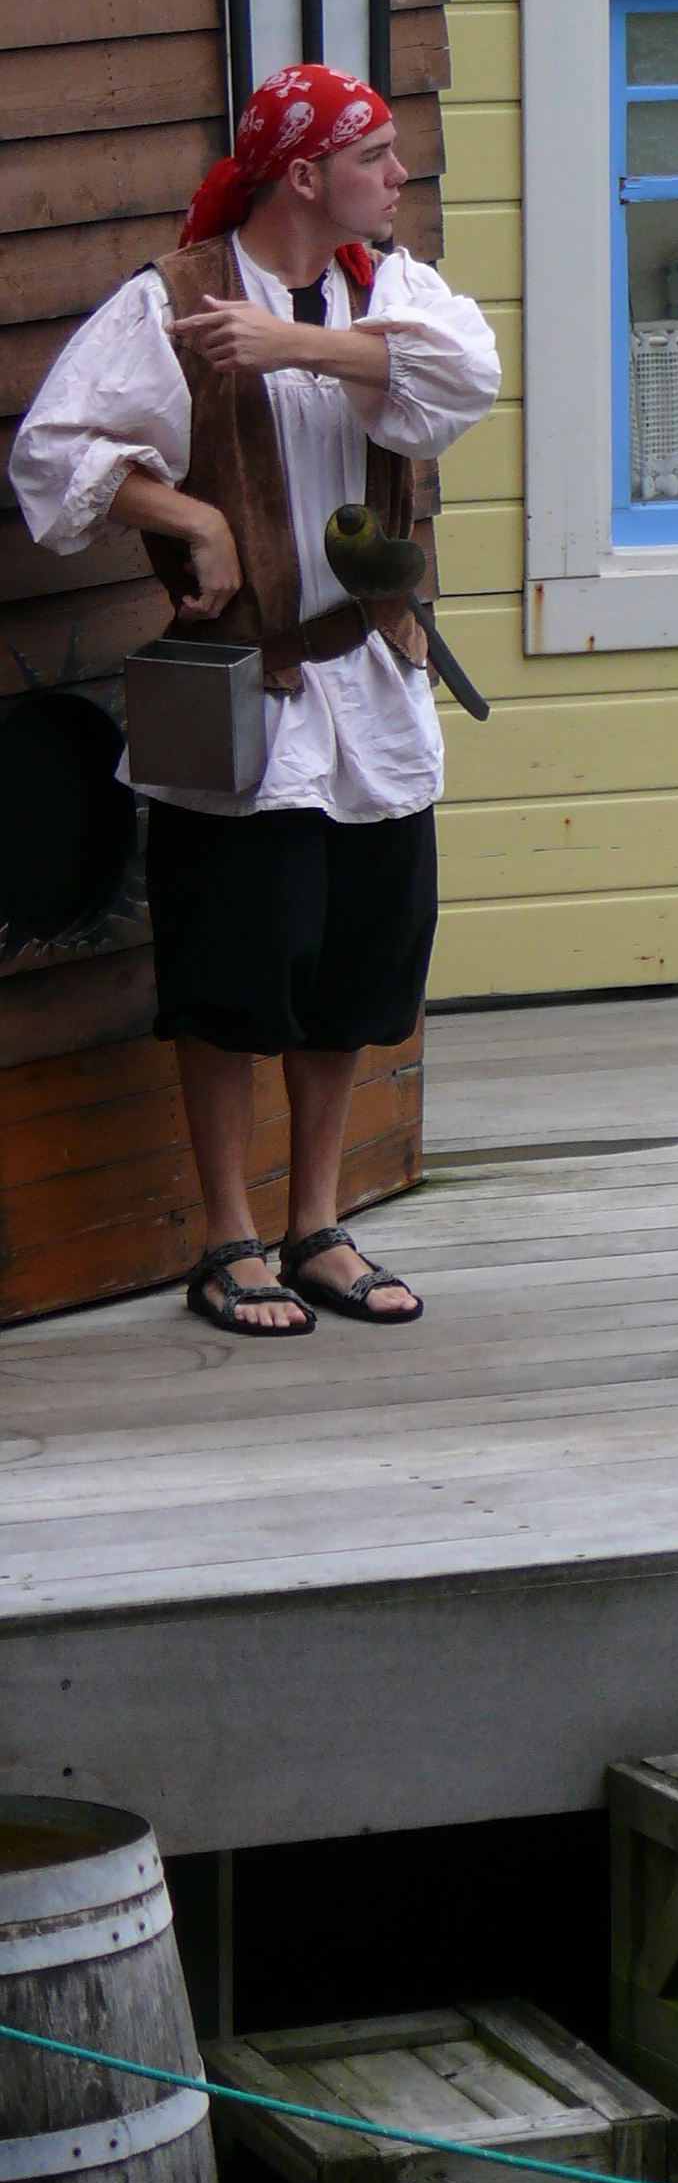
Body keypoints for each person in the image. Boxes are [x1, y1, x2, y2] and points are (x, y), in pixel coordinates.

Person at [11, 65, 501, 1338]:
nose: (398, 176)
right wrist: (186, 515)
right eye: (374, 155)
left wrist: (298, 346)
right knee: (234, 974)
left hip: (372, 690)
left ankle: (317, 1224)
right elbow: (52, 457)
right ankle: (230, 1237)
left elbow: (464, 380)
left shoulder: (387, 293)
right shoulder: (175, 302)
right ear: (304, 173)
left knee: (354, 970)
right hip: (247, 699)